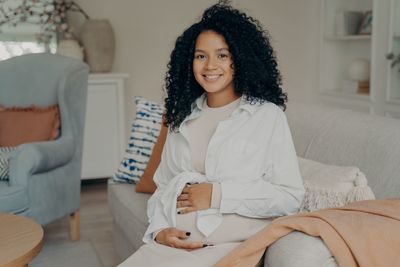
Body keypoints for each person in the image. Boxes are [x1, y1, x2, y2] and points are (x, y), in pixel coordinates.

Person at [118, 1, 305, 266]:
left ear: (239, 59)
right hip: (174, 247)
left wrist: (217, 194)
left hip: (228, 248)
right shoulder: (182, 117)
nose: (210, 66)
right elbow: (163, 188)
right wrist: (160, 232)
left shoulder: (266, 116)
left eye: (222, 55)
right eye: (200, 55)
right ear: (189, 61)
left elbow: (289, 196)